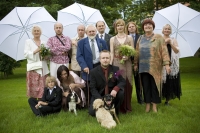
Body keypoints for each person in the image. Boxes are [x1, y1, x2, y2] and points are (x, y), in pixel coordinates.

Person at [134, 18, 171, 113]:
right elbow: (137, 52)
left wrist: (167, 64)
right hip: (143, 67)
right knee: (145, 86)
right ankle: (147, 105)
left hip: (155, 67)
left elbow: (164, 51)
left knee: (154, 86)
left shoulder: (159, 37)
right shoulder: (140, 38)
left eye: (149, 24)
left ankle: (154, 105)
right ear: (143, 27)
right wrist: (135, 63)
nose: (147, 26)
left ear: (153, 26)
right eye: (145, 25)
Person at [89, 50, 125, 116]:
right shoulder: (93, 72)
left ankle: (115, 111)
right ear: (100, 59)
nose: (105, 60)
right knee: (92, 113)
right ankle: (104, 109)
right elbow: (92, 88)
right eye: (103, 58)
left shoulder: (115, 69)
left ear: (110, 59)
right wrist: (100, 99)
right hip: (99, 95)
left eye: (107, 58)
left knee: (121, 92)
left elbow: (122, 81)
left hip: (111, 96)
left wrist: (116, 89)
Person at [110, 19, 134, 113]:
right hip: (117, 63)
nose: (120, 27)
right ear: (116, 27)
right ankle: (120, 106)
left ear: (124, 26)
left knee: (128, 83)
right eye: (118, 25)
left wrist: (127, 56)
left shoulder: (130, 38)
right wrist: (111, 65)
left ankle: (128, 106)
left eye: (121, 25)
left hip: (127, 63)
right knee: (119, 82)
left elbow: (133, 51)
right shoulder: (112, 39)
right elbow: (111, 53)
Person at [24, 25, 49, 99]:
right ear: (32, 32)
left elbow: (47, 56)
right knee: (34, 88)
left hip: (42, 68)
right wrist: (35, 51)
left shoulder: (44, 43)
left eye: (38, 31)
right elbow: (26, 54)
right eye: (35, 31)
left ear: (40, 32)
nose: (36, 32)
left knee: (42, 87)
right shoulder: (28, 42)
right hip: (33, 68)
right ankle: (34, 103)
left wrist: (44, 55)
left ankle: (41, 102)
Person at [162, 24, 182, 105]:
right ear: (163, 30)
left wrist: (170, 43)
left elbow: (177, 51)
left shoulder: (173, 39)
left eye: (168, 29)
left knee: (169, 82)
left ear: (170, 31)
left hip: (171, 63)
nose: (167, 30)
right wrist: (164, 43)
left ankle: (167, 100)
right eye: (165, 29)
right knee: (161, 82)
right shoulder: (159, 38)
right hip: (161, 63)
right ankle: (158, 98)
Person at [126, 21, 144, 104]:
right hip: (127, 61)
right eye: (129, 27)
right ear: (127, 29)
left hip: (139, 62)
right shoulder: (125, 38)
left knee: (139, 81)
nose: (131, 28)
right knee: (128, 81)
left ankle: (140, 99)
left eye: (133, 26)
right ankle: (127, 99)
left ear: (136, 27)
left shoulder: (141, 37)